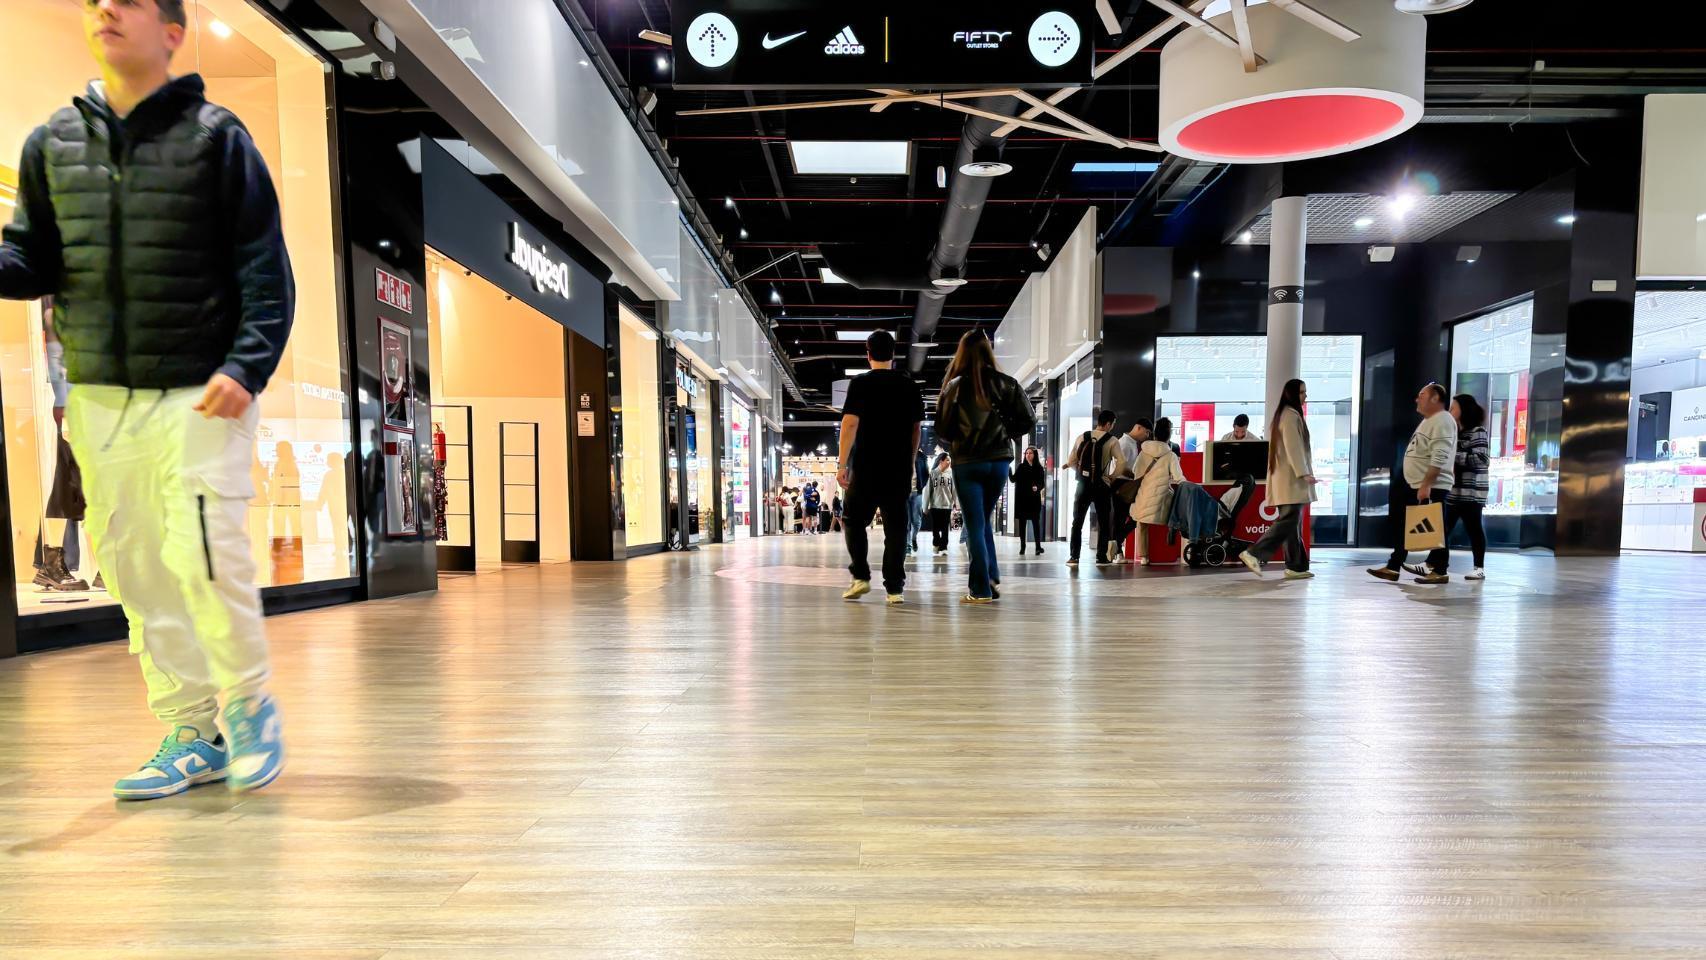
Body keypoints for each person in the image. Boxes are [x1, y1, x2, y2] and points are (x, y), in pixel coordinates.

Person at [0, 0, 292, 799]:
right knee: (134, 568)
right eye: (97, 2)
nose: (104, 11)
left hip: (204, 388)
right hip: (98, 393)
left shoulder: (218, 138)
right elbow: (30, 261)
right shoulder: (51, 143)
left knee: (203, 554)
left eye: (127, 2)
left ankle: (249, 706)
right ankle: (190, 729)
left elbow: (267, 272)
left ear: (171, 32)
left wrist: (247, 365)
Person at [936, 331, 1036, 603]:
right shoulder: (1007, 383)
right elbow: (1028, 420)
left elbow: (942, 429)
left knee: (975, 524)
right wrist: (1004, 433)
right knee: (982, 523)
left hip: (968, 462)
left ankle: (980, 588)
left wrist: (960, 436)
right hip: (999, 462)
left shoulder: (954, 386)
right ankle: (990, 574)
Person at [837, 330, 924, 604]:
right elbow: (916, 429)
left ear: (868, 353)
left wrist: (841, 464)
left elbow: (850, 424)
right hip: (897, 468)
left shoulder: (860, 384)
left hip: (865, 466)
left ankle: (861, 576)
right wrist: (909, 462)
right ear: (894, 354)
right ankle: (894, 589)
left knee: (852, 520)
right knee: (897, 527)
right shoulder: (909, 385)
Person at [1370, 382, 1458, 583]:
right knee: (1408, 525)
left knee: (1436, 527)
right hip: (1419, 484)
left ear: (1435, 398)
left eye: (1422, 394)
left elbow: (1440, 455)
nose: (1417, 399)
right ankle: (1394, 566)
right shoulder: (1429, 420)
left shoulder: (1442, 420)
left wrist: (1427, 484)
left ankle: (1440, 569)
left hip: (1431, 486)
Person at [1406, 394, 1489, 582]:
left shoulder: (1477, 432)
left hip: (1472, 492)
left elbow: (1482, 460)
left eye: (1454, 408)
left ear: (1464, 410)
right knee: (1443, 528)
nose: (1450, 411)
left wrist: (1453, 456)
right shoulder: (1454, 432)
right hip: (1453, 490)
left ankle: (1479, 567)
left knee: (1473, 527)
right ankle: (1431, 563)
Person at [1239, 380, 1315, 580]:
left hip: (1286, 480)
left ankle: (1296, 566)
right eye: (1302, 392)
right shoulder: (1290, 416)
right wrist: (1303, 472)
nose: (1305, 396)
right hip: (1290, 480)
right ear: (1292, 394)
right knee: (1289, 520)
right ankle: (1254, 553)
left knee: (1292, 524)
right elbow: (1294, 447)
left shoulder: (1286, 415)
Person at [1065, 409, 1120, 567]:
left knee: (1077, 521)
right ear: (1108, 424)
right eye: (1113, 424)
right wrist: (1111, 477)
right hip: (1101, 486)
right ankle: (1101, 556)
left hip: (1083, 485)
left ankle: (1074, 557)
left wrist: (1083, 474)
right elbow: (1121, 463)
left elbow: (1071, 461)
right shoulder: (1112, 440)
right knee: (1103, 521)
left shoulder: (1082, 437)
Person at [1129, 418, 1186, 566]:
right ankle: (1171, 546)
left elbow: (1136, 473)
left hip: (1144, 496)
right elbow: (1179, 478)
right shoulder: (1171, 455)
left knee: (1141, 522)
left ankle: (1144, 557)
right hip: (1161, 500)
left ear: (1155, 434)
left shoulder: (1143, 452)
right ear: (1169, 435)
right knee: (1176, 507)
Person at [1107, 417, 1153, 562]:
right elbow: (1121, 468)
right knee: (1127, 518)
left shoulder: (1130, 443)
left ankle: (1117, 549)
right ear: (1138, 428)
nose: (1146, 436)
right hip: (1122, 485)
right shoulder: (1125, 444)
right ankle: (1116, 548)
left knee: (1123, 519)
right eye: (1146, 433)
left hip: (1124, 484)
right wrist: (1137, 475)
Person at [1012, 446, 1047, 556]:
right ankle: (1022, 547)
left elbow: (1042, 483)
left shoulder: (1039, 468)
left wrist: (1037, 487)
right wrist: (1007, 471)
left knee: (1036, 523)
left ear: (1034, 454)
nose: (1028, 455)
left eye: (1030, 453)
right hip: (1022, 500)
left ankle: (1038, 547)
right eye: (1026, 453)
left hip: (1034, 500)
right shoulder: (1021, 467)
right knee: (1022, 524)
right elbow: (1013, 479)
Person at [926, 453, 957, 555]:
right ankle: (936, 543)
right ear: (941, 461)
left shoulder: (951, 474)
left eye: (950, 460)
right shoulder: (933, 473)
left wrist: (955, 503)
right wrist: (925, 506)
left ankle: (944, 547)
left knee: (945, 528)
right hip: (935, 505)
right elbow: (927, 491)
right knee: (935, 528)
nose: (949, 462)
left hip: (947, 506)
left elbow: (954, 490)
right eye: (947, 460)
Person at [906, 448, 927, 556]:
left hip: (917, 493)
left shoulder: (921, 456)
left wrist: (921, 485)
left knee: (917, 521)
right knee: (907, 522)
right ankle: (908, 546)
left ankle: (914, 538)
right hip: (904, 494)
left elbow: (926, 474)